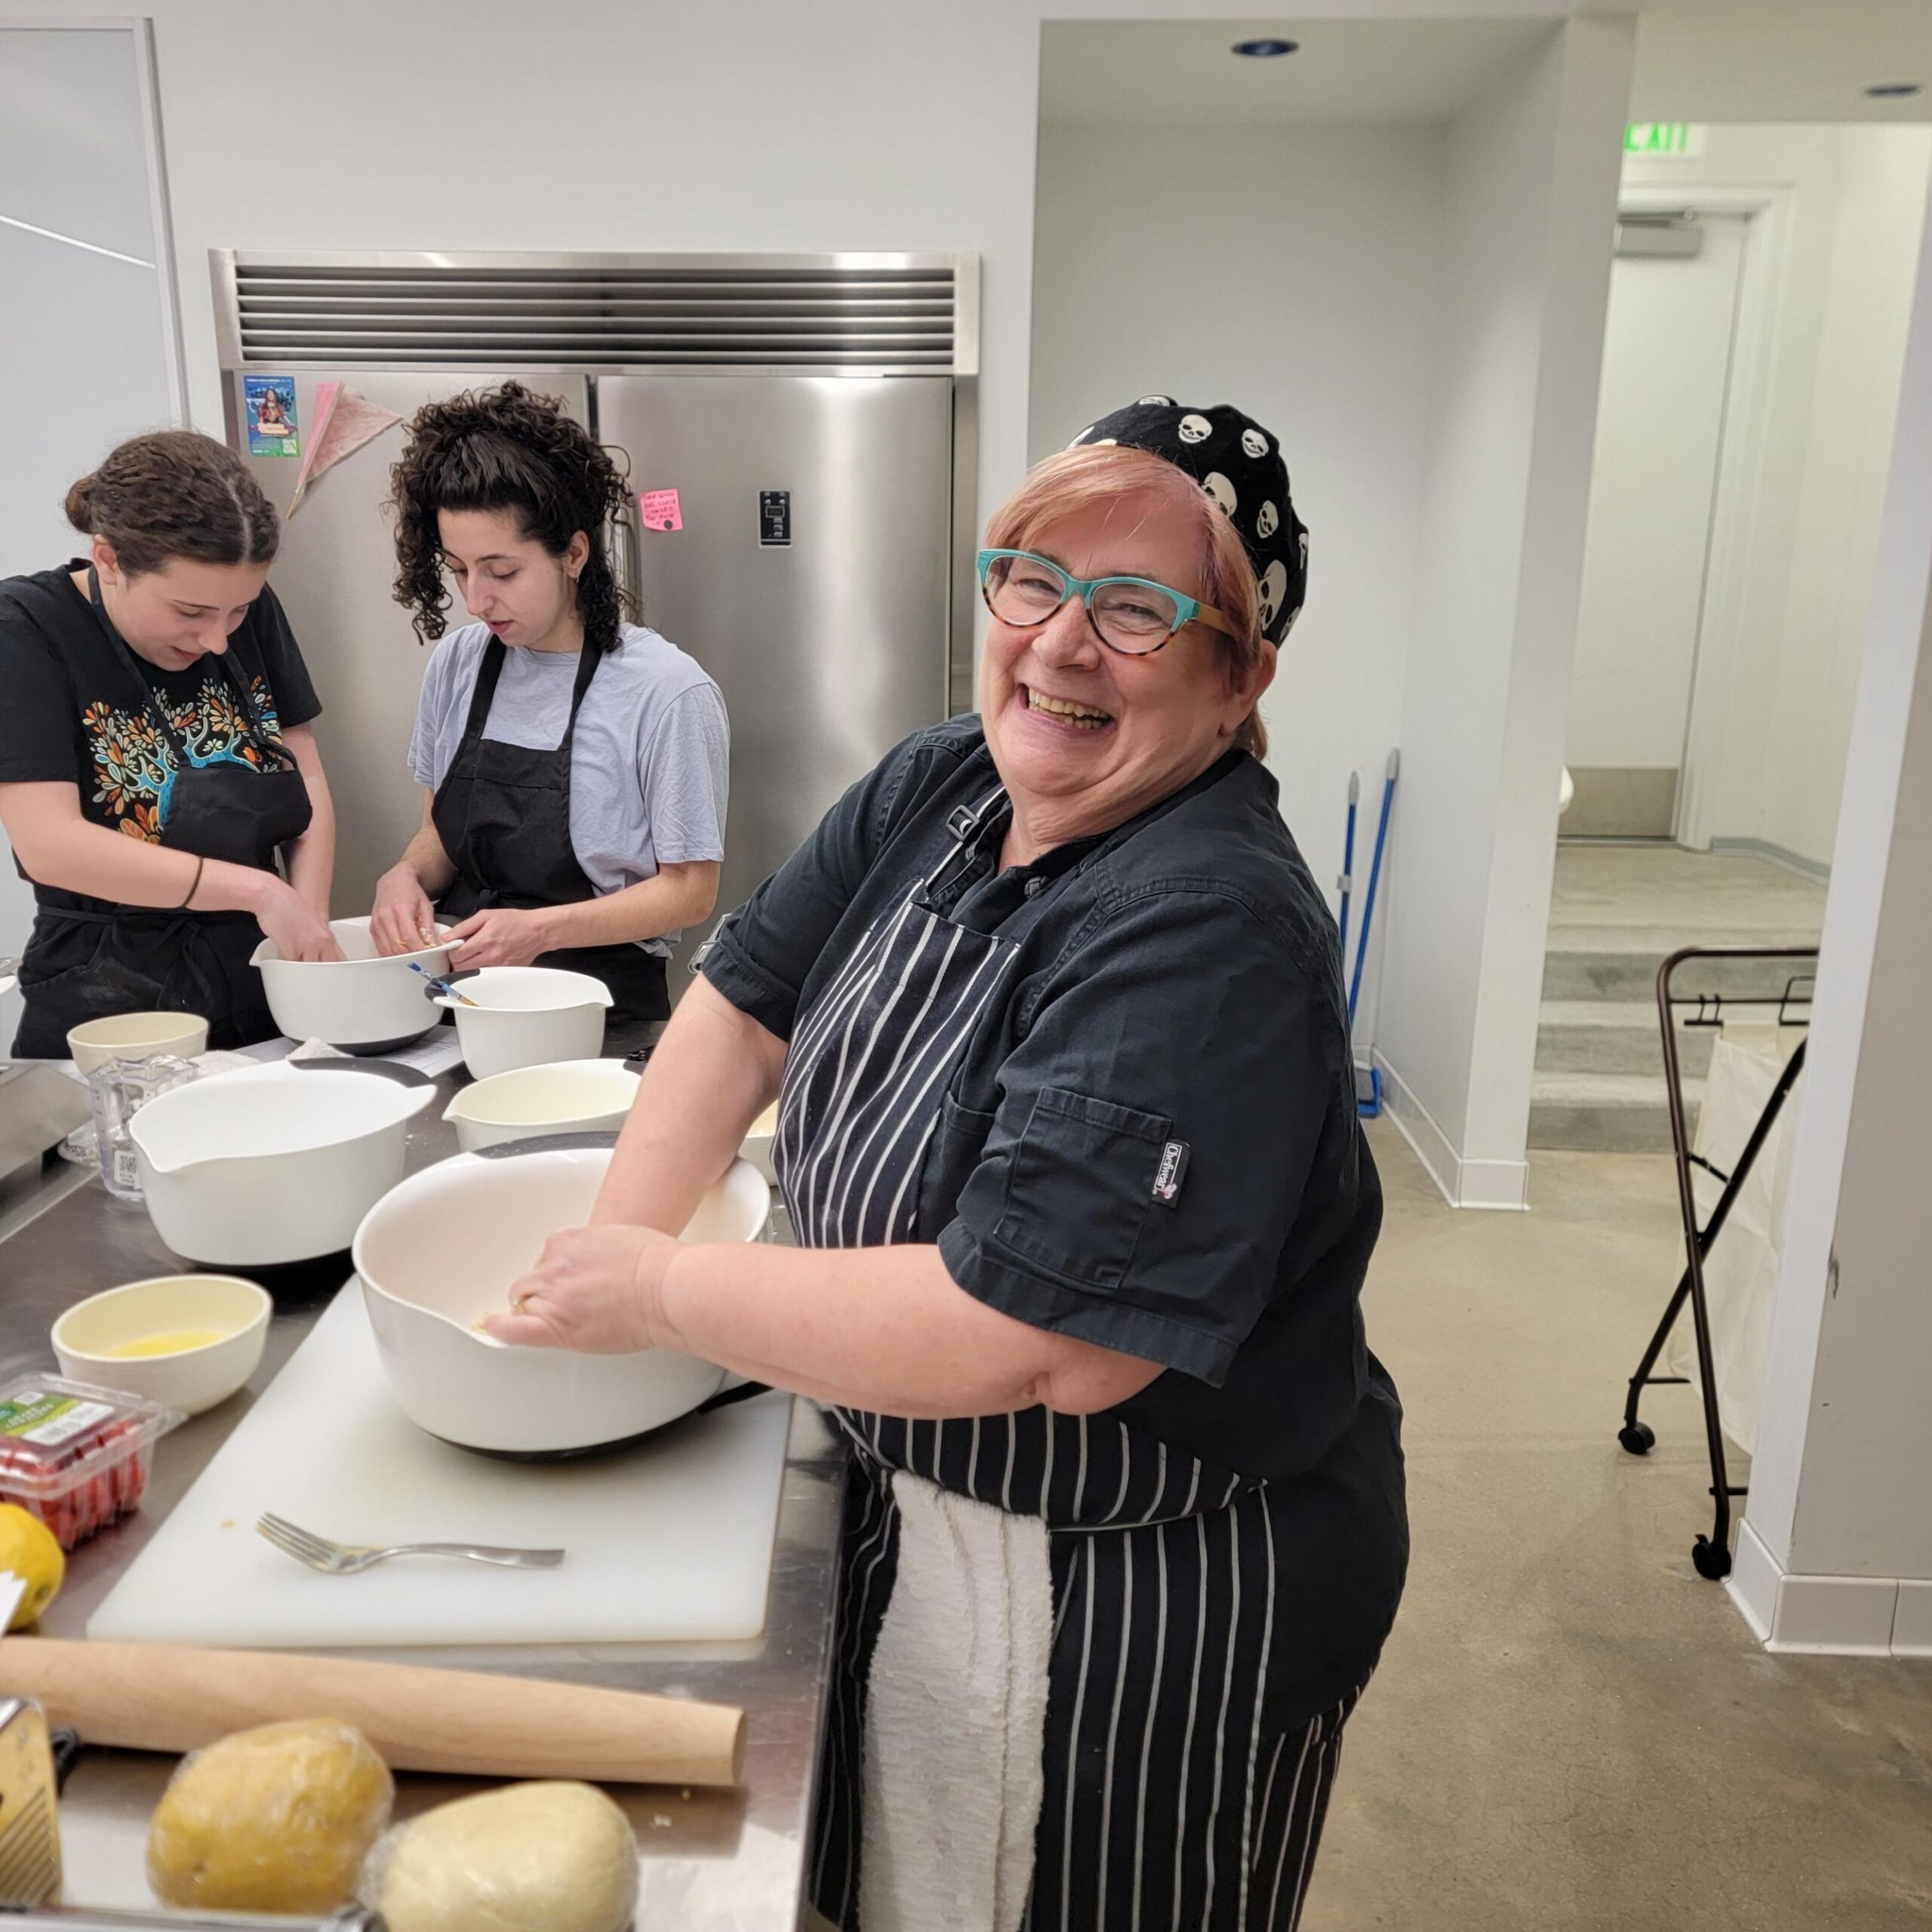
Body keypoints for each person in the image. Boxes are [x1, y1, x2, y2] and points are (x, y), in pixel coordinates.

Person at [485, 398, 1408, 1930]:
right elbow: (734, 1009)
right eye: (1032, 581)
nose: (1055, 645)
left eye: (1134, 610)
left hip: (1139, 1588)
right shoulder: (943, 783)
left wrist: (658, 1290)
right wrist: (599, 1292)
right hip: (923, 1497)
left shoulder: (1204, 926)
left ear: (1238, 673)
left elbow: (1036, 1341)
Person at [370, 383, 727, 1054]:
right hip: (460, 1010)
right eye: (459, 570)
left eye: (502, 571)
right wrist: (404, 878)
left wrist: (539, 931)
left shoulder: (666, 691)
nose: (477, 600)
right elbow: (438, 837)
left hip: (600, 1019)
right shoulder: (458, 664)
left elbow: (690, 892)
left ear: (574, 553)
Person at [0, 431, 341, 1057]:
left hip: (261, 990)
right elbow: (50, 845)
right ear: (108, 560)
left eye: (236, 612)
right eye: (189, 612)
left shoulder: (243, 606)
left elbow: (307, 778)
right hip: (108, 1010)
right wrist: (261, 891)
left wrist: (307, 921)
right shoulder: (25, 629)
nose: (216, 640)